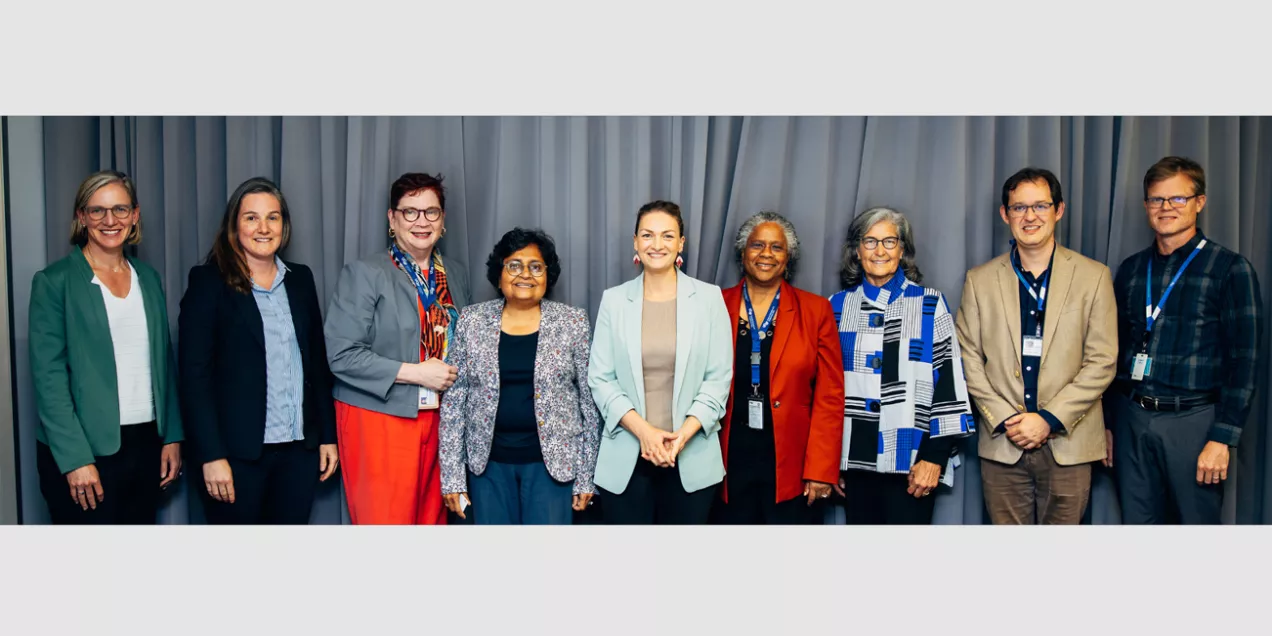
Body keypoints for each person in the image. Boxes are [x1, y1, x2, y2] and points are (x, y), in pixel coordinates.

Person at [955, 167, 1117, 525]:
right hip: (1003, 443)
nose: (1030, 216)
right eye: (1019, 208)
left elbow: (1102, 360)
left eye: (1040, 206)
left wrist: (1048, 419)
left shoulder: (1094, 276)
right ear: (1005, 214)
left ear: (1059, 210)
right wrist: (1006, 418)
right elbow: (967, 358)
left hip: (1069, 443)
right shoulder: (979, 280)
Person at [1107, 156, 1262, 524]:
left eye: (1177, 199)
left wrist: (1223, 437)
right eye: (1157, 199)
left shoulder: (1230, 269)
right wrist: (1108, 424)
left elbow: (1246, 360)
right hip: (1132, 418)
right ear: (1146, 206)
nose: (1165, 208)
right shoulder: (1131, 269)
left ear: (1199, 202)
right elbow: (1112, 351)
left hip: (1193, 421)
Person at [178, 177, 338, 524]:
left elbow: (316, 366)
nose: (263, 228)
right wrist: (211, 455)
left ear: (284, 224)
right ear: (235, 225)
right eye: (251, 217)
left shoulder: (300, 279)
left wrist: (328, 437)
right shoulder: (208, 282)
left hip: (299, 451)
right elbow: (194, 378)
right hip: (236, 457)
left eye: (273, 217)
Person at [28, 170, 183, 524]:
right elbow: (49, 379)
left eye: (120, 209)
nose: (109, 220)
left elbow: (163, 362)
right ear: (81, 217)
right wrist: (75, 459)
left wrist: (172, 435)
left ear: (135, 215)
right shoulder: (54, 283)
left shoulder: (148, 278)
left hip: (146, 444)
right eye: (97, 211)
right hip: (84, 450)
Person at [324, 172, 472, 525]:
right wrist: (418, 373)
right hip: (379, 419)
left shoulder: (454, 273)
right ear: (392, 219)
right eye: (410, 212)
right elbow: (341, 355)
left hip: (441, 419)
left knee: (432, 524)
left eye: (431, 212)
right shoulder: (364, 273)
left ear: (443, 219)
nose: (422, 221)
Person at [438, 228, 601, 524]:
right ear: (499, 274)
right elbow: (454, 401)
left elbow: (590, 405)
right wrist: (451, 477)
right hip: (487, 467)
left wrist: (586, 476)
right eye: (514, 265)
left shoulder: (572, 322)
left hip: (553, 467)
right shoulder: (472, 321)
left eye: (535, 267)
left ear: (547, 276)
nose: (525, 274)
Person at [588, 200, 732, 524]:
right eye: (648, 235)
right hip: (626, 459)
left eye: (668, 236)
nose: (657, 244)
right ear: (635, 242)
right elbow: (600, 378)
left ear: (681, 243)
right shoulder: (614, 300)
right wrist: (645, 433)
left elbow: (718, 378)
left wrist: (681, 436)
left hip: (691, 458)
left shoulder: (709, 299)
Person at [828, 206, 975, 524]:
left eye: (889, 241)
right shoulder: (836, 307)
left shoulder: (929, 304)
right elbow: (827, 390)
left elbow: (949, 384)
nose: (879, 250)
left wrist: (933, 459)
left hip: (913, 465)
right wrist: (829, 462)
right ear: (857, 250)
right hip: (853, 463)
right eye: (870, 241)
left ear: (903, 249)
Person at [713, 211, 843, 524]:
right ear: (743, 253)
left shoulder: (815, 311)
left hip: (792, 467)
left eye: (776, 247)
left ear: (788, 257)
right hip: (725, 462)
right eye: (757, 245)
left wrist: (821, 470)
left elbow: (830, 396)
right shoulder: (714, 304)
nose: (766, 254)